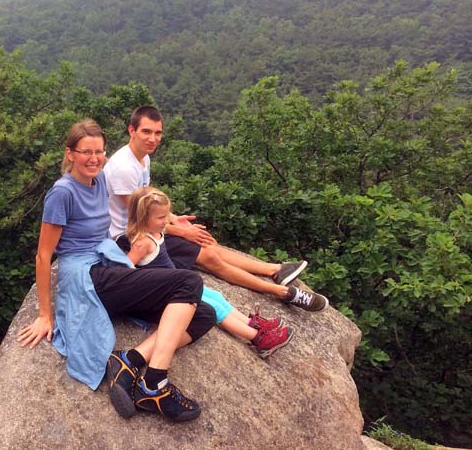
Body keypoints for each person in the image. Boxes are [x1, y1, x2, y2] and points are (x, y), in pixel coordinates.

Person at [17, 119, 217, 423]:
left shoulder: (99, 182)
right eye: (86, 152)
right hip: (88, 275)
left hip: (107, 262)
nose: (94, 158)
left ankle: (128, 361)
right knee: (188, 281)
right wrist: (46, 315)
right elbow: (44, 256)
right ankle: (154, 383)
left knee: (204, 314)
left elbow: (140, 202)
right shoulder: (62, 193)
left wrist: (172, 225)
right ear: (70, 154)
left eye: (99, 151)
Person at [104, 105, 328, 312]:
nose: (153, 139)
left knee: (204, 241)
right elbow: (139, 218)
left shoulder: (142, 159)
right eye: (146, 132)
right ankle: (282, 292)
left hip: (148, 228)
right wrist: (182, 231)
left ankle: (274, 269)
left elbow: (149, 202)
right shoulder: (124, 167)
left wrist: (173, 218)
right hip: (130, 238)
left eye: (158, 133)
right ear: (132, 130)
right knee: (208, 255)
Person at [126, 186, 294, 358]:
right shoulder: (142, 242)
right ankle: (259, 339)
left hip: (177, 282)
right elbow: (126, 269)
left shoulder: (156, 231)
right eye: (161, 217)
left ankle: (253, 324)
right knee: (213, 307)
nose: (166, 221)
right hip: (168, 289)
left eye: (166, 216)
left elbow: (168, 228)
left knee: (216, 296)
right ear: (143, 217)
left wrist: (179, 225)